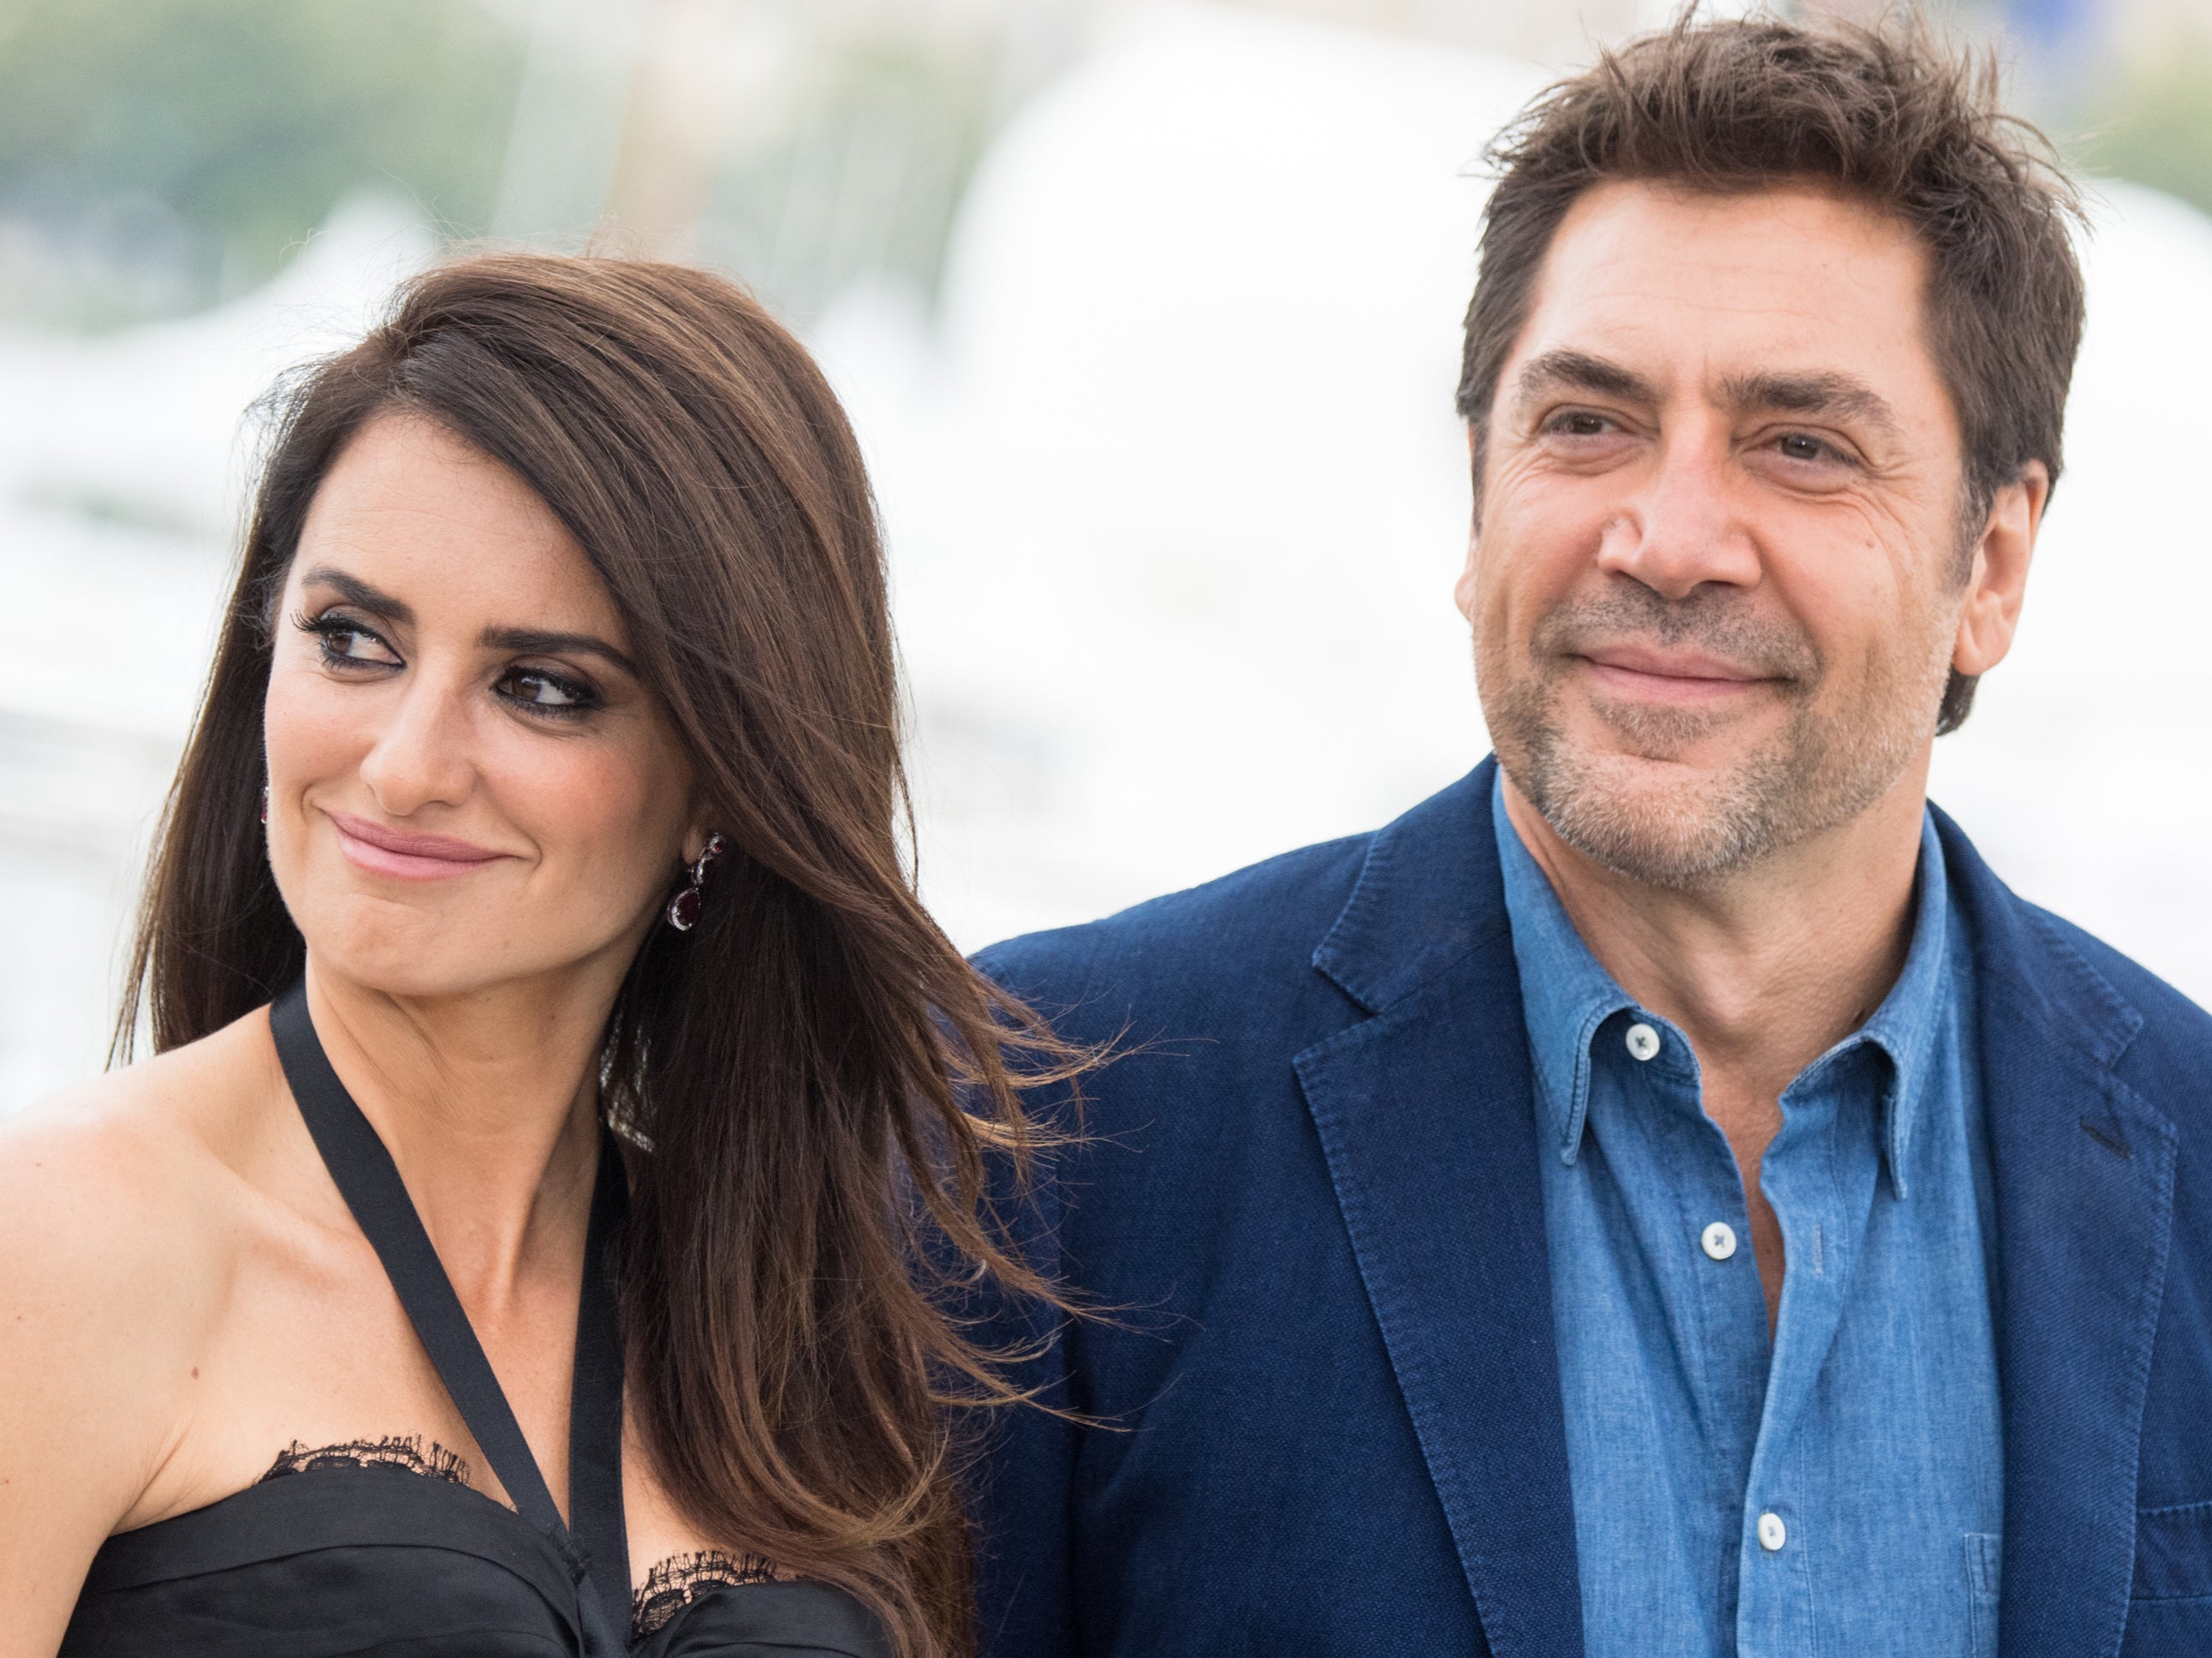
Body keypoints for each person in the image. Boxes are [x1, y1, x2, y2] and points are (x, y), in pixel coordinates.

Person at [970, 16, 2212, 1658]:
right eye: (1587, 422)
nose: (1669, 535)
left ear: (1990, 565)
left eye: (1801, 446)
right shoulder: (1055, 1111)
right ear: (1476, 498)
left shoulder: (2191, 1160)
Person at [0, 253, 1075, 1658]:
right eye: (352, 639)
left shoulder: (791, 1328)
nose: (402, 767)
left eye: (543, 687)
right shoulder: (66, 1240)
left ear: (719, 779)